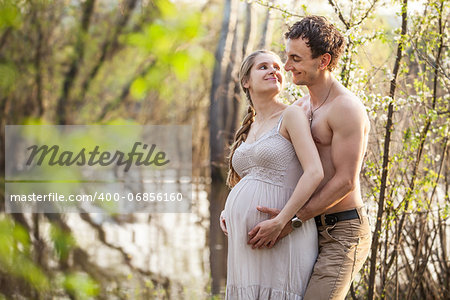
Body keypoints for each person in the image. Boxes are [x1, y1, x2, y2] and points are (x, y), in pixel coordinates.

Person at [247, 16, 372, 300]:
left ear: (323, 61)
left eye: (296, 59)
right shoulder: (301, 106)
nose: (287, 66)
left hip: (342, 231)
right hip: (307, 229)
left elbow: (345, 182)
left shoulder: (346, 108)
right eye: (287, 57)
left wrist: (289, 221)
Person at [220, 50, 324, 299]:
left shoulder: (291, 115)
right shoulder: (250, 126)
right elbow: (251, 176)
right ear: (246, 81)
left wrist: (281, 222)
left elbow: (314, 172)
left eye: (277, 66)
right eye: (263, 67)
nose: (274, 70)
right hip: (246, 243)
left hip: (282, 235)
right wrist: (229, 210)